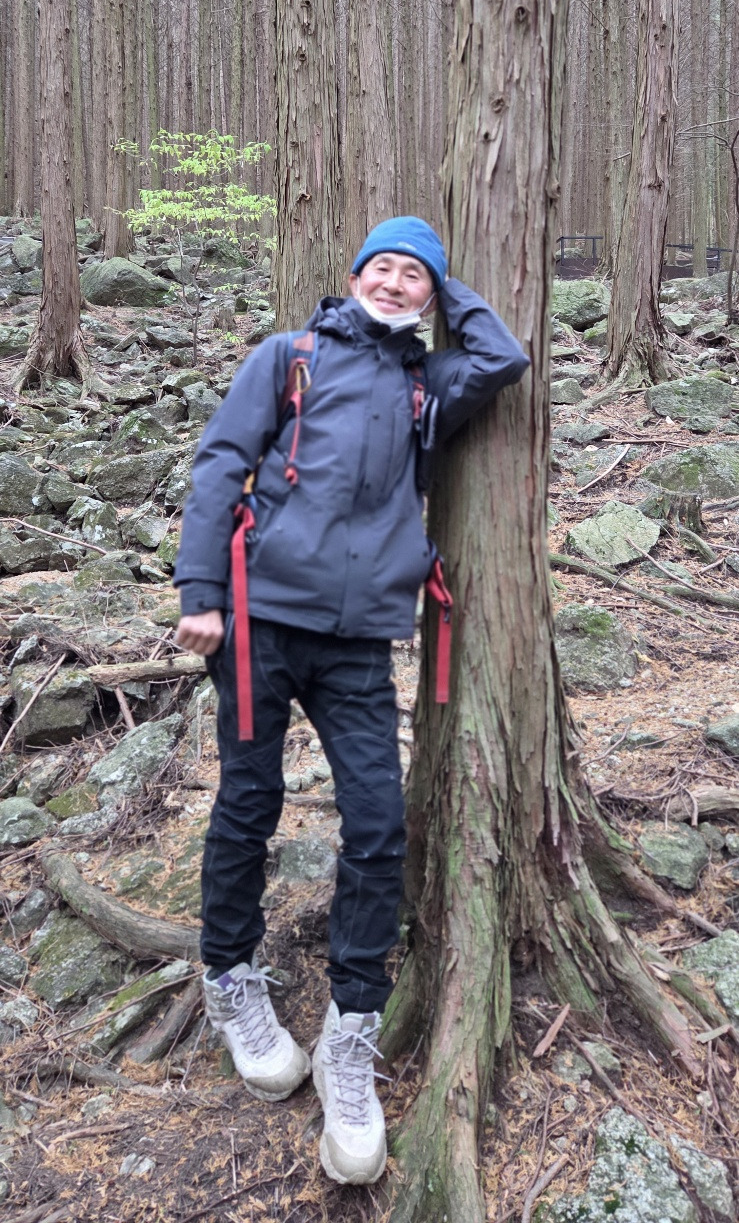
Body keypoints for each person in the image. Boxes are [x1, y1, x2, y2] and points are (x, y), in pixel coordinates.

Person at [173, 216, 529, 1185]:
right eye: (383, 267)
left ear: (431, 296)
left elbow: (503, 358)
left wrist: (446, 291)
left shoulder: (427, 384)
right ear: (353, 273)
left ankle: (351, 1025)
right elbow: (219, 463)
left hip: (360, 644)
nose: (395, 283)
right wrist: (199, 592)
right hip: (257, 621)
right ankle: (230, 979)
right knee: (249, 801)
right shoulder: (287, 356)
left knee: (377, 823)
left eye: (415, 276)